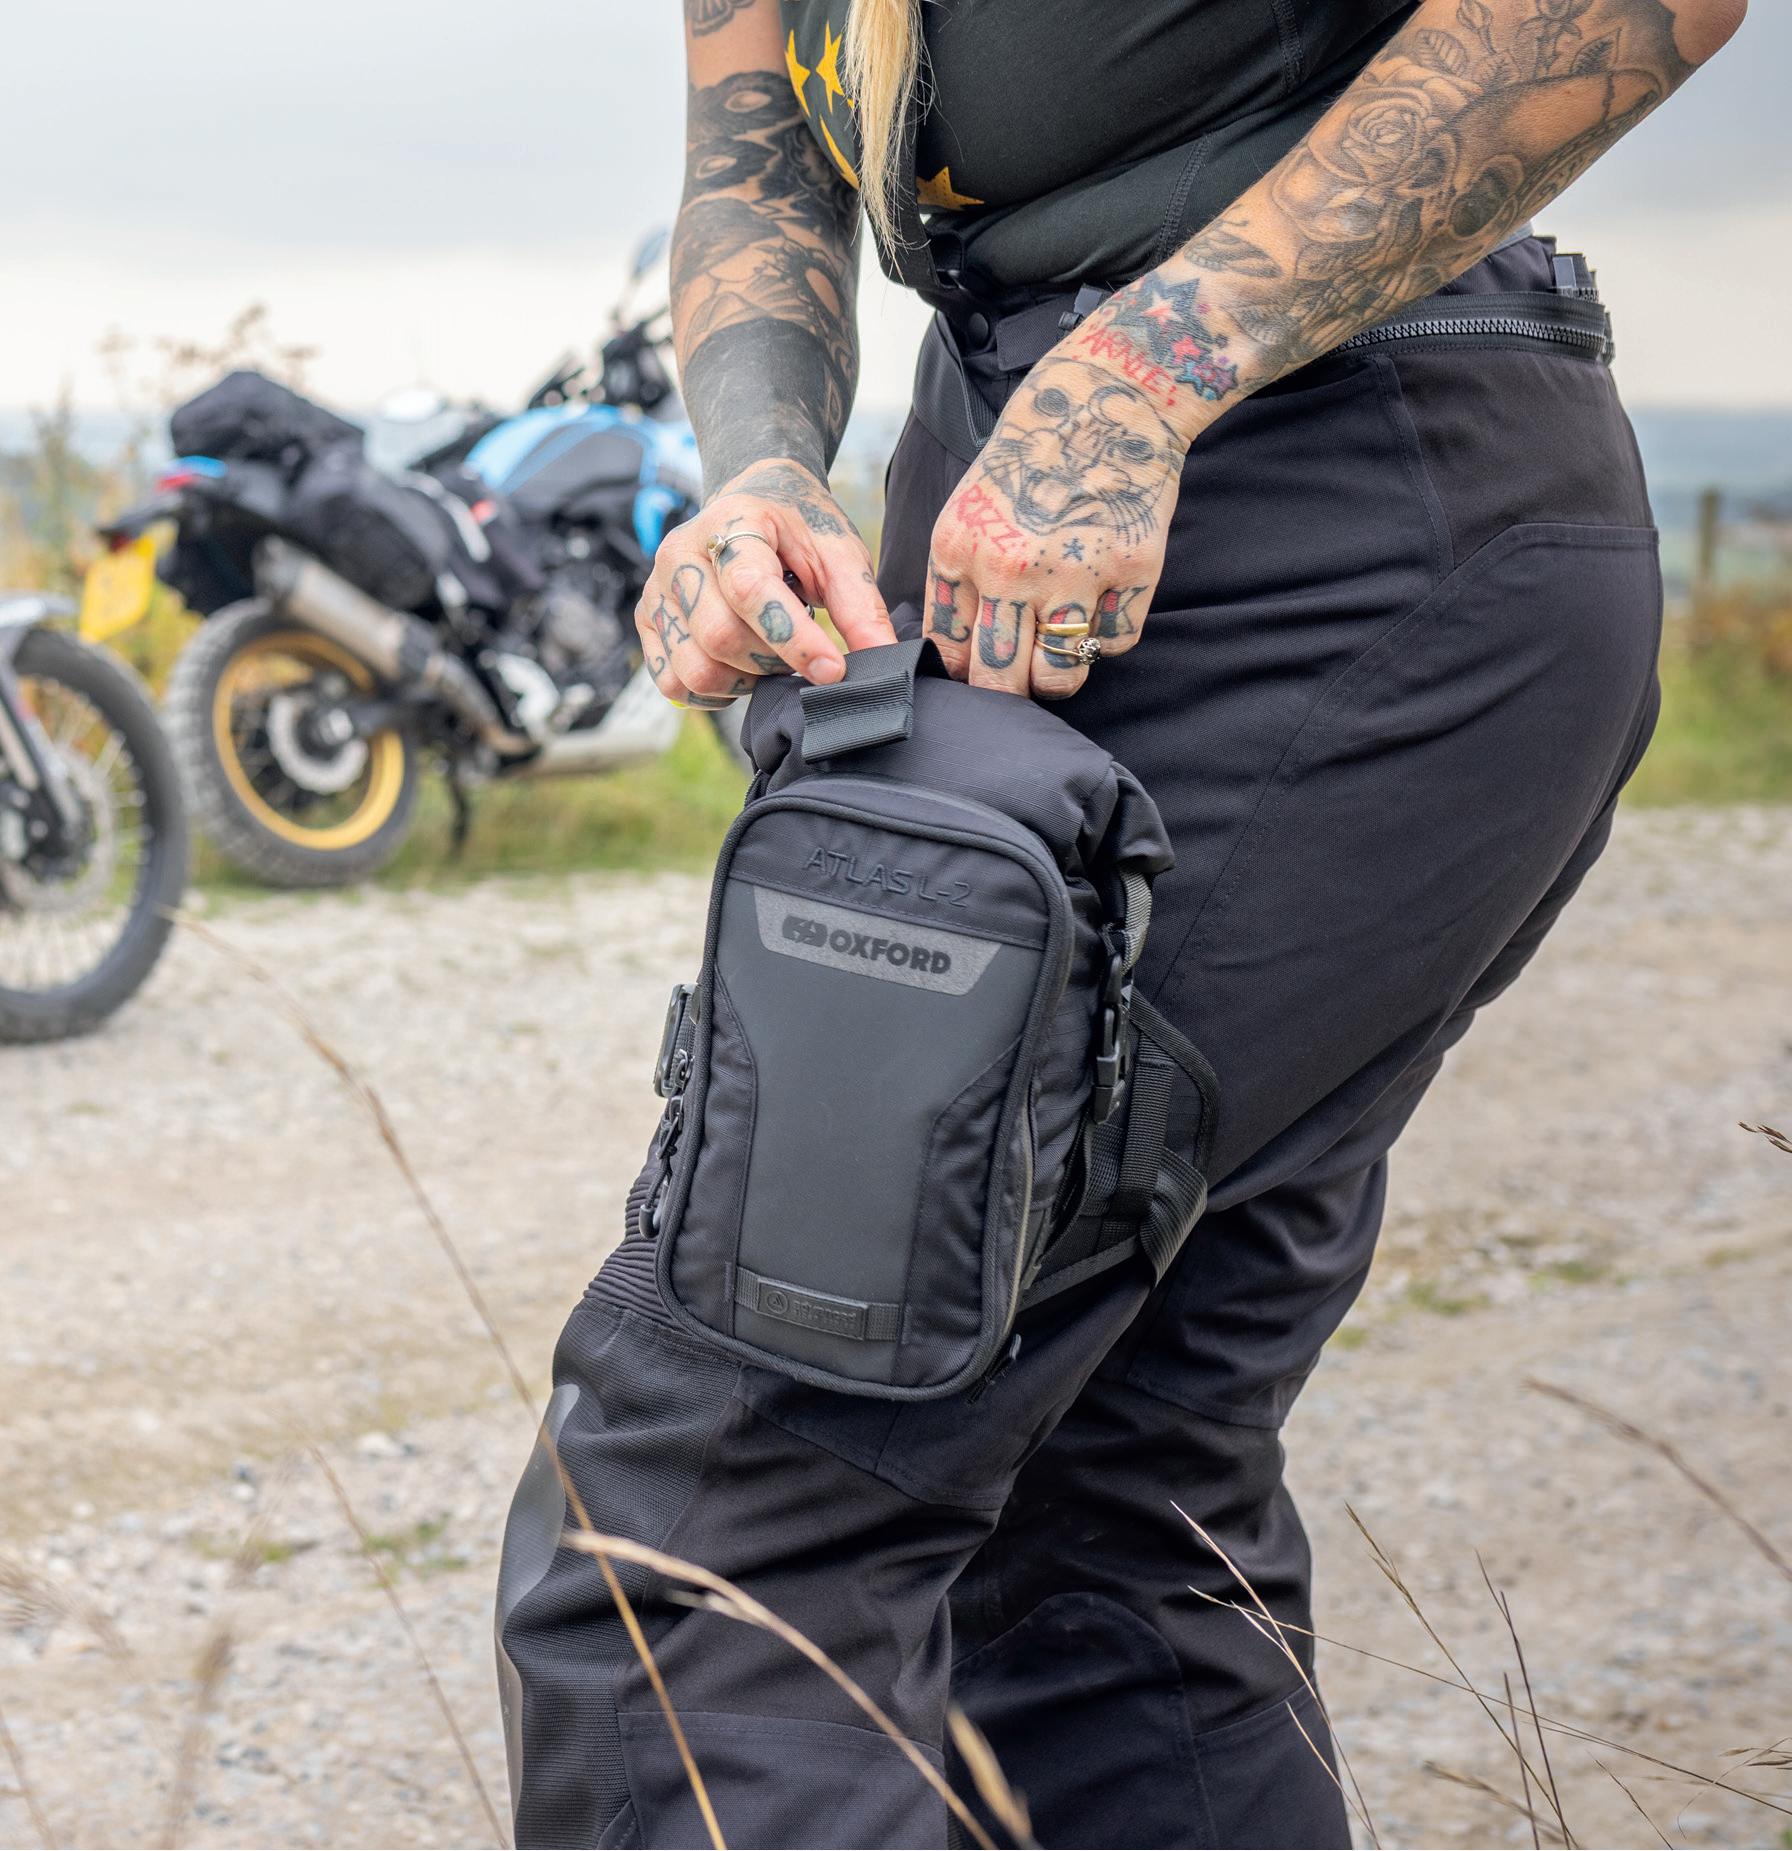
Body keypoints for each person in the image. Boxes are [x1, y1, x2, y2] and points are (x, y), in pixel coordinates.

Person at [497, 0, 1745, 1842]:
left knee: (709, 1528)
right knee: (1098, 1516)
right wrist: (762, 464)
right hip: (1018, 505)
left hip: (1330, 507)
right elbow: (754, 148)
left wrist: (1154, 363)